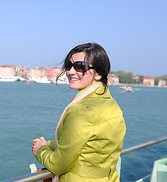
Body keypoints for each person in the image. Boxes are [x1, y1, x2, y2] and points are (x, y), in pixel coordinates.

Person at [32, 43, 126, 182]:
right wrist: (50, 145)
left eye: (79, 66)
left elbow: (58, 165)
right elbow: (89, 149)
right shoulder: (111, 104)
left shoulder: (81, 111)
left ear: (99, 73)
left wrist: (41, 150)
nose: (70, 71)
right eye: (68, 65)